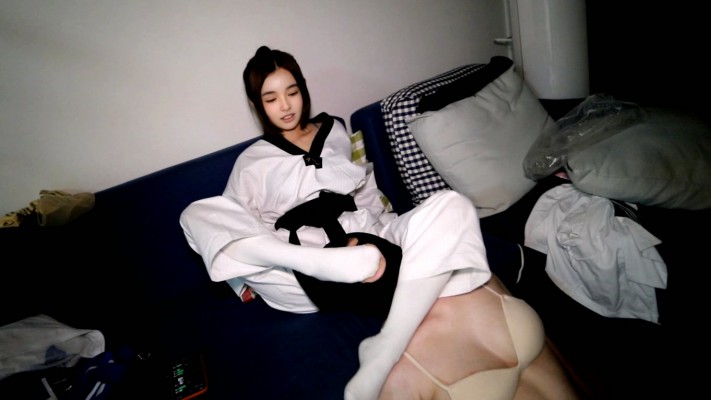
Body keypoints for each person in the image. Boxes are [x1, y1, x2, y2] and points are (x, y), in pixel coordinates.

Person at [180, 46, 580, 400]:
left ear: (303, 90)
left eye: (292, 92)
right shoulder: (251, 162)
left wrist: (397, 232)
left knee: (452, 206)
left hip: (372, 243)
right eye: (271, 98)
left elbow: (367, 192)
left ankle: (384, 348)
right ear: (258, 105)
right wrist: (246, 282)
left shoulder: (335, 130)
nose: (285, 106)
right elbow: (231, 226)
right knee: (195, 214)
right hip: (300, 268)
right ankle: (321, 262)